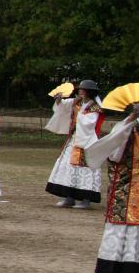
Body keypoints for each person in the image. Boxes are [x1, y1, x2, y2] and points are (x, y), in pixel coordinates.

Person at [83, 103, 139, 273]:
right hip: (127, 189)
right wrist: (131, 117)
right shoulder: (130, 129)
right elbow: (113, 153)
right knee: (116, 232)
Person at [44, 80, 104, 209]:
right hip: (74, 139)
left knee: (85, 168)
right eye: (80, 89)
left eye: (83, 89)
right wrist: (59, 100)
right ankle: (69, 197)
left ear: (89, 92)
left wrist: (79, 115)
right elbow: (64, 106)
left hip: (87, 141)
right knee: (68, 166)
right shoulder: (78, 102)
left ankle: (86, 199)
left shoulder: (94, 106)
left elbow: (89, 123)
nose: (80, 91)